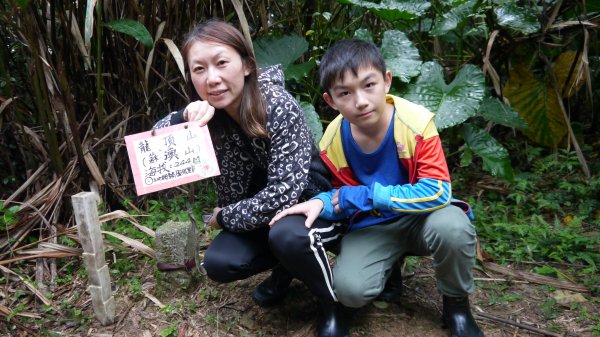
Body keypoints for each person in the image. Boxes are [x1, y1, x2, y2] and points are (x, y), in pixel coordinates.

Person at [270, 39, 485, 337]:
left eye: (368, 85)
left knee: (453, 227)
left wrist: (369, 195)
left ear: (386, 81)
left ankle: (457, 305)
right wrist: (320, 201)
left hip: (423, 218)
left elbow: (438, 191)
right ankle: (389, 268)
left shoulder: (416, 123)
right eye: (345, 93)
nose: (360, 100)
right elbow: (338, 194)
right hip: (374, 225)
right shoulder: (332, 140)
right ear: (331, 101)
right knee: (350, 291)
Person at [153, 20, 346, 337]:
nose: (212, 78)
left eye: (221, 63)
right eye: (199, 69)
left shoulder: (277, 105)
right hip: (255, 212)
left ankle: (330, 305)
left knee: (287, 236)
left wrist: (223, 217)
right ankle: (287, 267)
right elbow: (153, 151)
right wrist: (181, 117)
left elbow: (283, 194)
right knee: (220, 262)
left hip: (307, 204)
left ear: (246, 65)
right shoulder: (206, 115)